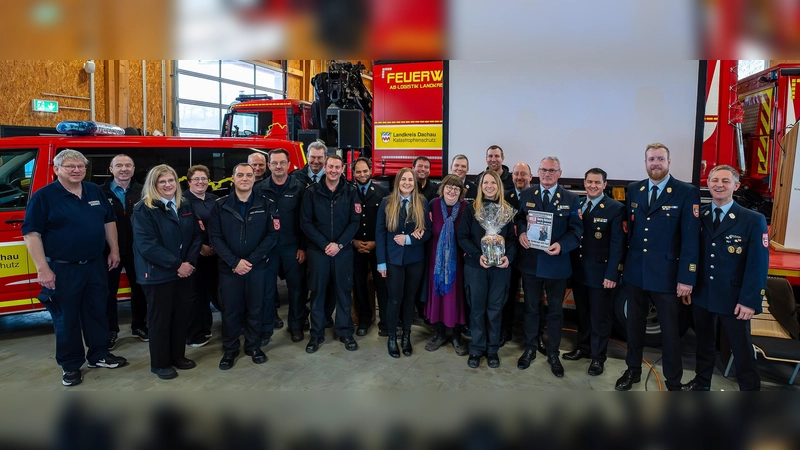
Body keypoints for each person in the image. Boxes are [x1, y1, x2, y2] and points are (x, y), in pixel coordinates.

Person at [22, 149, 128, 387]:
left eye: (80, 166)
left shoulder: (94, 190)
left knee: (97, 312)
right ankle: (70, 366)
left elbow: (108, 220)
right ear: (57, 169)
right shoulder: (44, 197)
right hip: (62, 269)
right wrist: (43, 269)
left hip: (94, 266)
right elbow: (31, 234)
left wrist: (114, 250)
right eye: (70, 166)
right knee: (66, 318)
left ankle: (99, 355)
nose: (77, 170)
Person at [616, 142, 700, 391]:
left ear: (669, 162)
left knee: (670, 334)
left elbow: (691, 239)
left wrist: (687, 277)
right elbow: (630, 232)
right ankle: (633, 370)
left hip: (667, 276)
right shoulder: (635, 189)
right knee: (633, 327)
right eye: (651, 159)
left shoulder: (685, 192)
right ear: (645, 162)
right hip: (635, 273)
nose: (655, 163)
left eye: (660, 159)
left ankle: (673, 381)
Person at [682, 165, 768, 391]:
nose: (719, 184)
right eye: (714, 180)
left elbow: (758, 264)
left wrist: (750, 300)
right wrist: (689, 284)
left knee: (741, 349)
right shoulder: (700, 215)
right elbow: (693, 254)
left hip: (734, 299)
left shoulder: (752, 219)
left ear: (736, 186)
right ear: (707, 184)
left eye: (725, 181)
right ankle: (701, 384)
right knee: (703, 345)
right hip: (702, 294)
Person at [515, 156, 583, 378]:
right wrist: (523, 232)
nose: (547, 174)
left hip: (557, 263)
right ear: (537, 172)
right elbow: (519, 220)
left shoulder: (571, 199)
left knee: (555, 312)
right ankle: (530, 348)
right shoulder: (526, 194)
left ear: (559, 173)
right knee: (531, 308)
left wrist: (561, 246)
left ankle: (553, 352)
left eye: (552, 171)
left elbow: (576, 231)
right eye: (543, 170)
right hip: (531, 263)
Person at [132, 164, 202, 380]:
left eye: (171, 180)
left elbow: (197, 236)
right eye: (162, 181)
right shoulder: (143, 210)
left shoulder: (185, 205)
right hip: (157, 275)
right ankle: (160, 363)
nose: (167, 185)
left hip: (184, 271)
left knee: (181, 316)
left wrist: (189, 262)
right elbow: (147, 246)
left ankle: (178, 356)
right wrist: (177, 265)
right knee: (160, 320)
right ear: (153, 185)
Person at [209, 163, 279, 370]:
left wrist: (251, 261)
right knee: (230, 310)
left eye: (249, 175)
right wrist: (234, 262)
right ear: (233, 178)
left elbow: (272, 235)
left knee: (255, 308)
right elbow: (215, 237)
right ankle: (230, 350)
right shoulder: (220, 205)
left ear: (254, 179)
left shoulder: (267, 204)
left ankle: (253, 346)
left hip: (256, 268)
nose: (245, 179)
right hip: (229, 269)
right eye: (240, 175)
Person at [565, 168, 626, 376]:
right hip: (580, 272)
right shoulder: (579, 204)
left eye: (597, 183)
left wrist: (612, 274)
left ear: (604, 184)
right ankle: (583, 348)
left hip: (601, 274)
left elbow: (618, 245)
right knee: (582, 314)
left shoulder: (615, 208)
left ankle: (598, 357)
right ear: (584, 183)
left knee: (600, 318)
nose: (592, 186)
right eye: (589, 182)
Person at [301, 154, 360, 353]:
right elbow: (306, 223)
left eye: (338, 167)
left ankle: (345, 332)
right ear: (324, 168)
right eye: (331, 166)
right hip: (318, 252)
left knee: (343, 293)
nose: (334, 170)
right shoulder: (312, 192)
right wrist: (326, 244)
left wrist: (339, 245)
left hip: (343, 252)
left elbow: (355, 222)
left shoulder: (351, 192)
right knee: (317, 294)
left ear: (343, 169)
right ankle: (316, 335)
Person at [458, 170, 517, 368]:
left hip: (500, 269)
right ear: (480, 186)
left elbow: (512, 239)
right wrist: (478, 255)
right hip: (476, 267)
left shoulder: (507, 210)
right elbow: (462, 237)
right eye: (485, 183)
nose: (489, 186)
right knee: (476, 310)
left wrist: (508, 257)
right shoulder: (470, 209)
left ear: (498, 186)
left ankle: (492, 350)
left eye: (493, 182)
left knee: (495, 311)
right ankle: (476, 348)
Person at [376, 168, 432, 358]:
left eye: (411, 179)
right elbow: (380, 234)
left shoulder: (422, 202)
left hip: (415, 260)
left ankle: (406, 336)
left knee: (409, 300)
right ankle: (392, 337)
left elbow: (428, 232)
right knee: (394, 299)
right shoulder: (387, 202)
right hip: (392, 261)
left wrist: (409, 239)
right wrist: (381, 263)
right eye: (404, 179)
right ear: (398, 182)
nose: (407, 182)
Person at [260, 149, 310, 343]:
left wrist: (303, 247)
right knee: (266, 291)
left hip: (292, 248)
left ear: (289, 165)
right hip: (268, 249)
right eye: (274, 163)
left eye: (282, 163)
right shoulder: (259, 188)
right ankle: (265, 329)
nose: (278, 167)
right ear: (269, 165)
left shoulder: (300, 188)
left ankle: (296, 326)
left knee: (297, 290)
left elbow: (305, 221)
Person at [101, 154, 147, 349]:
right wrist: (112, 249)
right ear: (111, 169)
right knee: (108, 292)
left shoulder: (143, 191)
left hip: (138, 250)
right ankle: (111, 330)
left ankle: (139, 326)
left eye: (128, 165)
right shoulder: (100, 192)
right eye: (118, 165)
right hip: (109, 251)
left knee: (140, 290)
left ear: (134, 169)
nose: (124, 169)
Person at [424, 175, 469, 356]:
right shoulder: (433, 204)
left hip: (458, 261)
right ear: (442, 189)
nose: (452, 191)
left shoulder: (467, 208)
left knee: (456, 297)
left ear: (461, 193)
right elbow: (426, 229)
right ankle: (440, 334)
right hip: (436, 260)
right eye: (449, 187)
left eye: (456, 189)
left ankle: (457, 337)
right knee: (439, 295)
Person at [351, 157, 390, 336]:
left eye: (365, 170)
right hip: (355, 247)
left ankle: (385, 322)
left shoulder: (383, 191)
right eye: (358, 171)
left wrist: (375, 242)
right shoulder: (348, 192)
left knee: (382, 286)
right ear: (353, 173)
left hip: (377, 246)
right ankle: (364, 320)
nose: (362, 174)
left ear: (370, 170)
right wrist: (353, 241)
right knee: (359, 286)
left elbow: (387, 222)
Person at [183, 165, 219, 348]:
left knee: (210, 293)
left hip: (215, 255)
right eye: (196, 179)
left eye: (204, 178)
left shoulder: (214, 199)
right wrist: (200, 249)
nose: (200, 182)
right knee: (195, 296)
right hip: (194, 256)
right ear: (189, 182)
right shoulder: (183, 201)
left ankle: (206, 327)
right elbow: (183, 231)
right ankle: (194, 334)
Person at [501, 162, 533, 346]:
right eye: (516, 174)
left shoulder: (537, 196)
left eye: (523, 174)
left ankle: (533, 336)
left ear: (530, 176)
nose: (519, 177)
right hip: (510, 253)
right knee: (508, 294)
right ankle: (506, 330)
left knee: (532, 298)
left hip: (531, 253)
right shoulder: (505, 197)